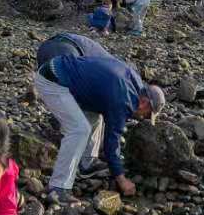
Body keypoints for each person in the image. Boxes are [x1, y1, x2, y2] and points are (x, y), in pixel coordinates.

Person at [32, 40, 164, 199]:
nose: (143, 117)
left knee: (96, 115)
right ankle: (58, 187)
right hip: (52, 79)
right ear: (144, 103)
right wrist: (121, 179)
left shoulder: (136, 83)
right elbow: (112, 142)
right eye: (147, 114)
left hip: (66, 74)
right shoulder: (123, 99)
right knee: (79, 129)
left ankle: (87, 163)